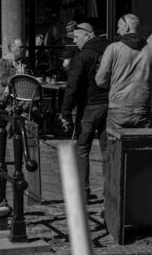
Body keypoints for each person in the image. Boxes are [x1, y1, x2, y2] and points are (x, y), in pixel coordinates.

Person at [60, 23, 109, 200]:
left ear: (87, 35)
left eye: (76, 37)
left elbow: (72, 87)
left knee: (82, 149)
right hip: (109, 105)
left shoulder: (82, 56)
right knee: (107, 151)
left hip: (89, 107)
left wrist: (65, 112)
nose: (75, 42)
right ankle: (109, 191)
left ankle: (83, 191)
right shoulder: (110, 50)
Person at [95, 14, 152, 129]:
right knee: (140, 145)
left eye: (119, 27)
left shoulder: (113, 48)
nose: (118, 31)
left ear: (126, 26)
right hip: (142, 108)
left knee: (115, 145)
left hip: (117, 108)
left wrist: (115, 85)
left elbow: (100, 81)